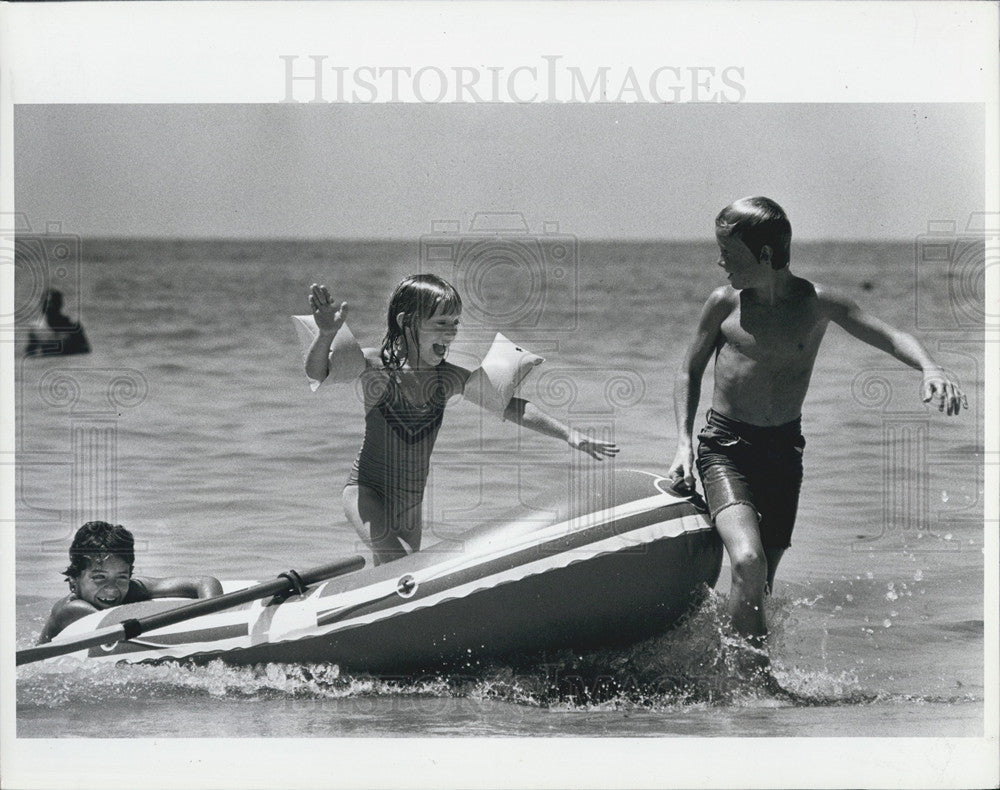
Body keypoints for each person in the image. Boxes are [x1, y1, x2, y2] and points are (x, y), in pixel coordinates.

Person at [666, 196, 966, 671]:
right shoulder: (723, 304)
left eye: (729, 252)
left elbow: (888, 335)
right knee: (747, 561)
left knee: (758, 586)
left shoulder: (817, 304)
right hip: (724, 449)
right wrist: (683, 442)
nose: (720, 262)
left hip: (784, 454)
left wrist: (930, 366)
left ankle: (722, 672)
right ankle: (755, 688)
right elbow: (689, 370)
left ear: (765, 255)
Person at [306, 274, 619, 566]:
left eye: (455, 323)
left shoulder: (449, 378)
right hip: (366, 491)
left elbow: (509, 406)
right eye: (441, 322)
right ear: (406, 323)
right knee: (400, 566)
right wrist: (326, 335)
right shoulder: (376, 366)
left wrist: (569, 434)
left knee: (395, 576)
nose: (451, 332)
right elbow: (318, 372)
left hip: (409, 506)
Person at [37, 521, 224, 644]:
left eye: (121, 578)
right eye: (99, 577)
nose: (111, 590)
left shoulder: (132, 589)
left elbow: (205, 582)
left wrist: (212, 620)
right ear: (74, 580)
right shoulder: (71, 609)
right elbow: (116, 630)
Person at [25, 288, 91, 357]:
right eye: (46, 303)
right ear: (41, 305)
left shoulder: (73, 327)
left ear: (60, 305)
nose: (49, 307)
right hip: (47, 365)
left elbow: (86, 351)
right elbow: (30, 355)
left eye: (52, 303)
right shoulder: (36, 330)